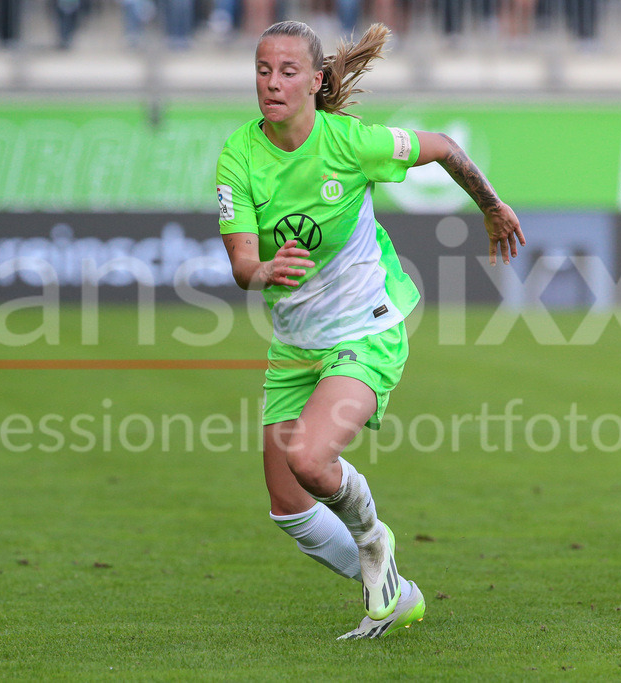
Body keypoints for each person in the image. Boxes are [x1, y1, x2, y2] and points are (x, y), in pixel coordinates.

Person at [216, 20, 524, 639]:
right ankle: (396, 593)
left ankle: (373, 538)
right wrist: (264, 270)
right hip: (295, 344)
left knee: (309, 457)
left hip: (366, 329)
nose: (272, 83)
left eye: (287, 72)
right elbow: (243, 265)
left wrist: (491, 206)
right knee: (288, 507)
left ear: (315, 81)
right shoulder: (238, 155)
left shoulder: (351, 143)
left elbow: (442, 146)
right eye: (263, 71)